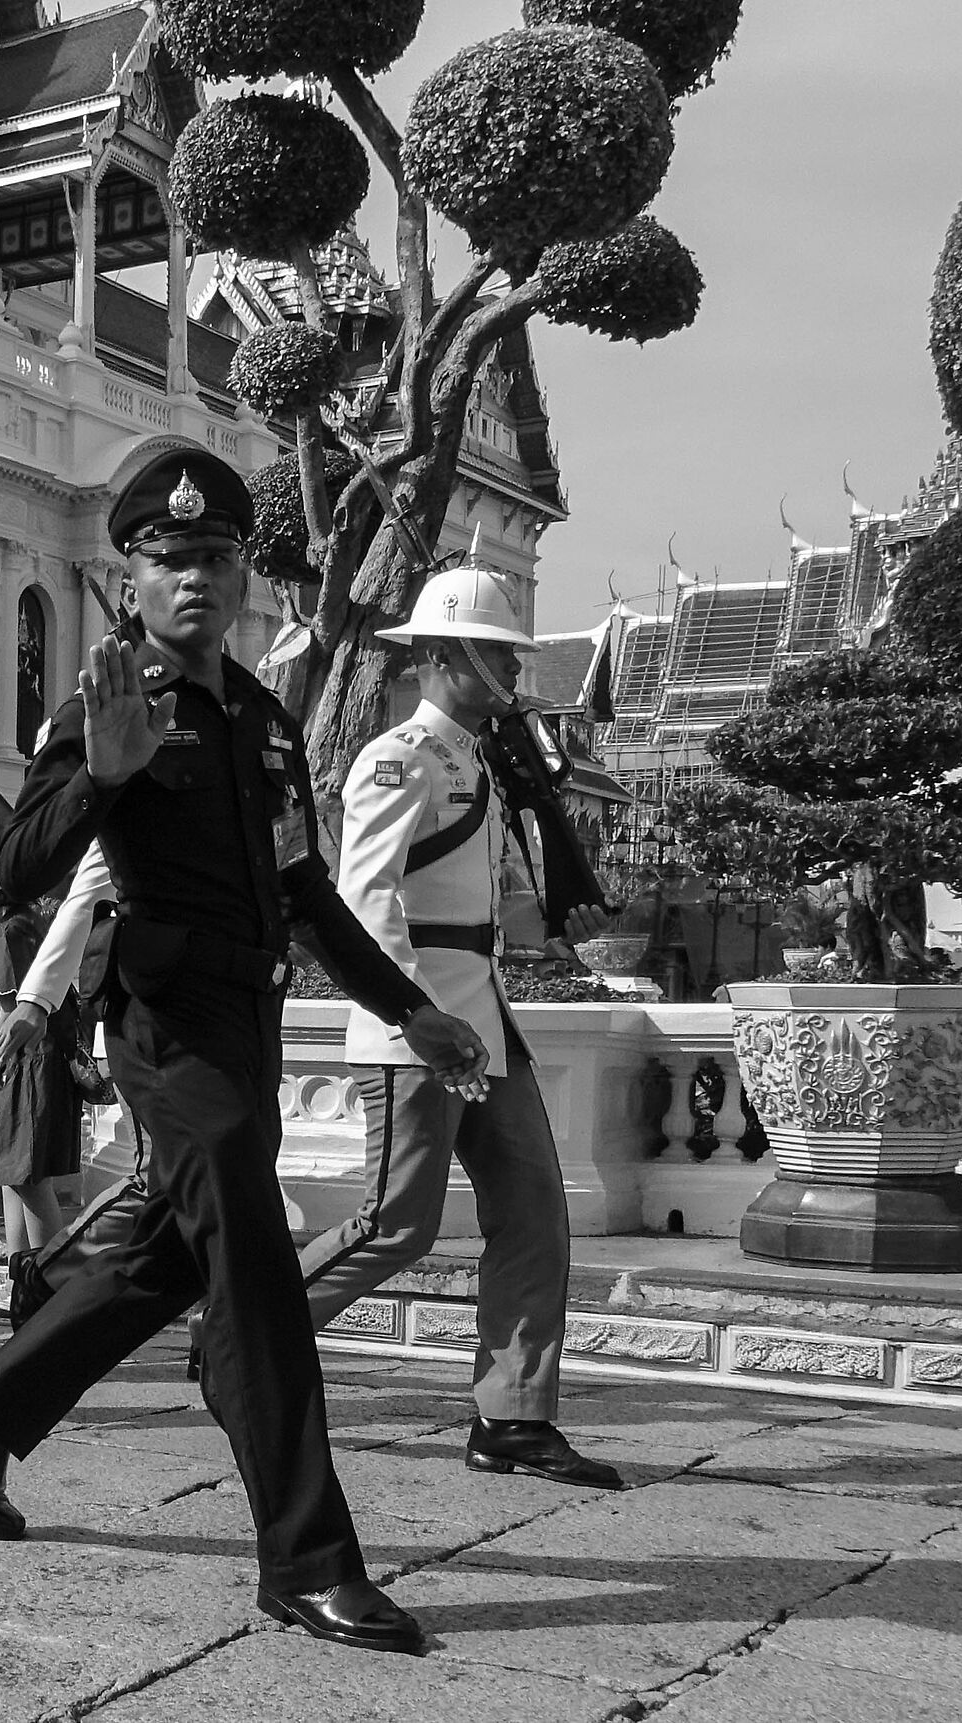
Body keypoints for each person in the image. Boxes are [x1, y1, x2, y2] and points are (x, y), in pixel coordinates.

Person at [0, 448, 490, 1657]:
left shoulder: (264, 720)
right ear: (130, 574)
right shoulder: (106, 701)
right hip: (165, 1028)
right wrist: (101, 776)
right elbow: (19, 866)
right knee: (258, 1279)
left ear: (241, 574)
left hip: (249, 1025)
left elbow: (307, 891)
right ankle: (309, 1560)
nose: (196, 579)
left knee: (164, 1259)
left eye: (216, 558)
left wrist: (409, 1009)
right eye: (171, 558)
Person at [301, 560, 624, 1491]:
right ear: (443, 656)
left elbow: (475, 915)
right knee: (395, 1225)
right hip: (419, 1028)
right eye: (496, 652)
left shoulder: (477, 763)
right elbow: (365, 903)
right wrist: (418, 1016)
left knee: (534, 1214)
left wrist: (556, 922)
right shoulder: (397, 757)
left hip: (484, 1021)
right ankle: (248, 1327)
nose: (514, 670)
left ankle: (512, 1416)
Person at [0, 889, 84, 1318]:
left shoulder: (9, 930)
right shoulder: (33, 921)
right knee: (13, 1172)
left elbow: (9, 1011)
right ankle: (18, 1282)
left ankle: (49, 1288)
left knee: (27, 1176)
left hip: (31, 1059)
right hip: (48, 1056)